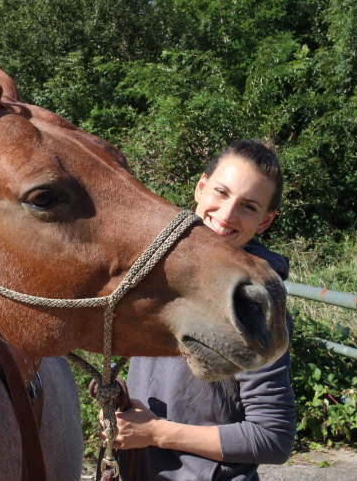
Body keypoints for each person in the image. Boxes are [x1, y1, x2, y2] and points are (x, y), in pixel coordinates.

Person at [101, 139, 296, 480]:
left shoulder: (252, 308)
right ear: (201, 187)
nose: (227, 214)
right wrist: (120, 396)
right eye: (221, 192)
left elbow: (273, 438)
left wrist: (156, 433)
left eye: (248, 207)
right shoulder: (159, 277)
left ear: (265, 222)